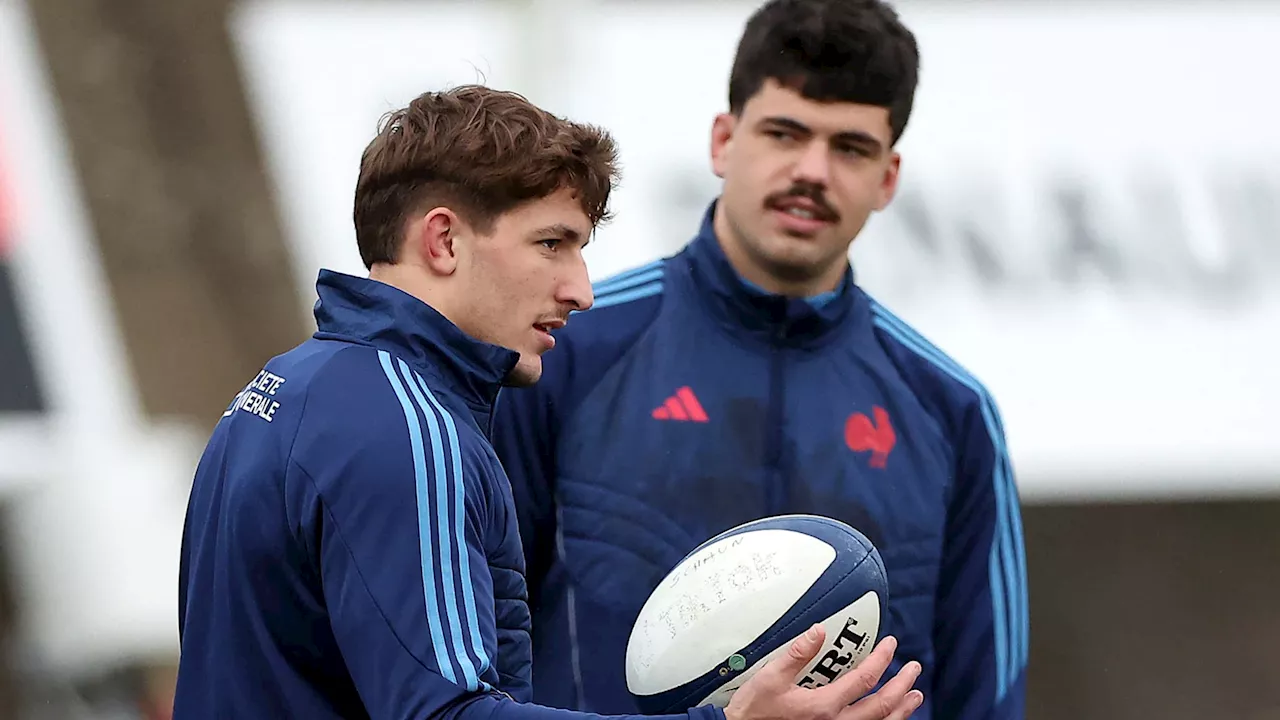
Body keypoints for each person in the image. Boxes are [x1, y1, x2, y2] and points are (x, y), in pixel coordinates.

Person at [173, 84, 923, 720]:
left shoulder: (284, 390)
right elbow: (447, 714)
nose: (581, 289)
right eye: (552, 244)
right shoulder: (409, 432)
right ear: (443, 241)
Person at [490, 1, 1029, 719]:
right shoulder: (565, 350)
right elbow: (472, 658)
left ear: (889, 176)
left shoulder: (951, 410)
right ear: (723, 140)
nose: (812, 171)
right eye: (785, 133)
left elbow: (984, 697)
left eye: (851, 148)